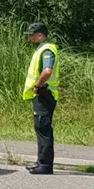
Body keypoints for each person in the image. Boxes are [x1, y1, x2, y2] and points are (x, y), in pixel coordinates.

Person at [23, 22, 60, 175]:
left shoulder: (46, 50)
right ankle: (41, 161)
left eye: (32, 34)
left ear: (40, 35)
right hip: (44, 94)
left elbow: (47, 71)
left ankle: (44, 165)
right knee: (40, 128)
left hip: (45, 94)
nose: (29, 37)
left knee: (43, 128)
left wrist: (37, 86)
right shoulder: (42, 49)